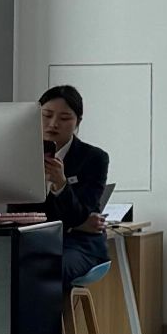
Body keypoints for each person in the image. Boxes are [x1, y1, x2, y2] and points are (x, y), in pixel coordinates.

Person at [41, 84, 111, 295]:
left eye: (64, 118)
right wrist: (78, 223)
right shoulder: (21, 155)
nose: (53, 124)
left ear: (77, 122)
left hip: (80, 245)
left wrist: (61, 184)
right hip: (36, 240)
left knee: (49, 271)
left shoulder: (94, 158)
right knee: (1, 266)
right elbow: (20, 212)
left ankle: (45, 319)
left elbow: (81, 212)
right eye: (46, 115)